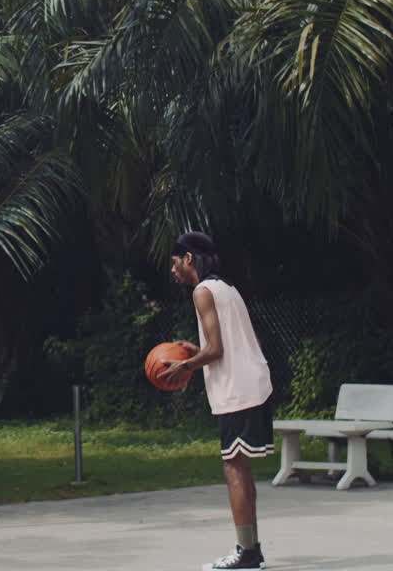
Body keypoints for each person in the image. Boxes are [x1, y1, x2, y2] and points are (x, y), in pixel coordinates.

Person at [158, 231, 274, 570]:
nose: (173, 270)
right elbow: (242, 342)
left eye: (175, 262)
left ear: (188, 259)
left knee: (234, 469)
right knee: (241, 468)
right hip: (252, 385)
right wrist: (199, 353)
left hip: (238, 391)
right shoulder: (229, 289)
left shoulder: (202, 291)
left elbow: (217, 350)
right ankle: (251, 549)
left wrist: (186, 364)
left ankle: (247, 554)